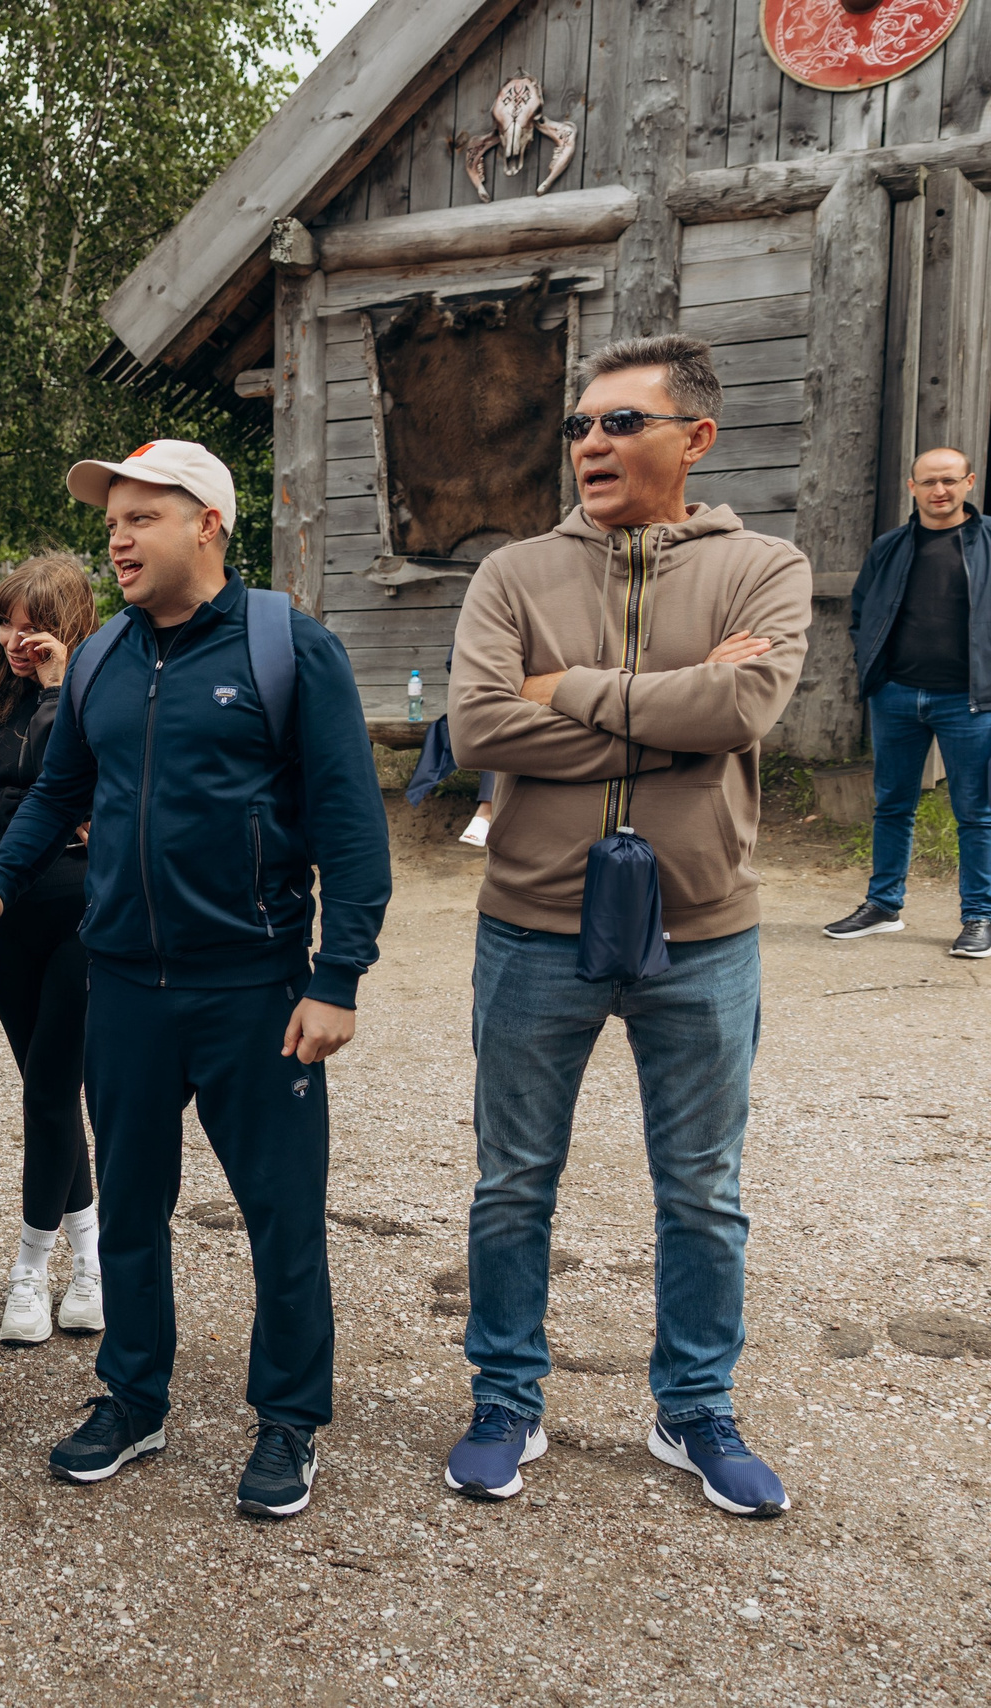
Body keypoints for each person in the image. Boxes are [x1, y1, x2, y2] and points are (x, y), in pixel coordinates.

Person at [0, 440, 391, 1521]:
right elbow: (58, 794)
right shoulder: (101, 656)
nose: (117, 537)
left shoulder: (288, 648)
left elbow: (350, 825)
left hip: (253, 987)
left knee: (280, 1214)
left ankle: (288, 1419)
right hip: (124, 987)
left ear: (208, 524)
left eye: (141, 516)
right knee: (133, 1208)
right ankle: (134, 1398)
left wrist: (337, 976)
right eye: (112, 519)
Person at [444, 336, 810, 1518]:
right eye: (579, 426)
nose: (589, 444)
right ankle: (506, 1397)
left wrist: (563, 689)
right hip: (532, 926)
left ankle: (693, 1407)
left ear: (694, 438)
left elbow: (742, 705)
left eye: (618, 423)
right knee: (512, 1183)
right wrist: (675, 717)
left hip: (702, 933)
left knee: (701, 1190)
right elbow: (477, 729)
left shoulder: (765, 567)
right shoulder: (511, 573)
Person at [0, 556, 105, 1346]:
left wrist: (58, 687)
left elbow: (65, 781)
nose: (20, 639)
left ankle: (30, 1269)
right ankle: (90, 1264)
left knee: (50, 1089)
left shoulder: (95, 703)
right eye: (8, 623)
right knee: (49, 1094)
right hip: (5, 920)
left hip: (84, 917)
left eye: (37, 625)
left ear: (72, 626)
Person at [826, 445, 991, 957]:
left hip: (970, 702)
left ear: (969, 483)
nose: (940, 490)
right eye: (929, 481)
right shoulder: (890, 547)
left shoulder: (988, 541)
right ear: (912, 487)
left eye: (950, 480)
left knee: (976, 813)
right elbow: (862, 612)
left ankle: (979, 916)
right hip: (896, 695)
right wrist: (873, 671)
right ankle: (883, 906)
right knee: (893, 805)